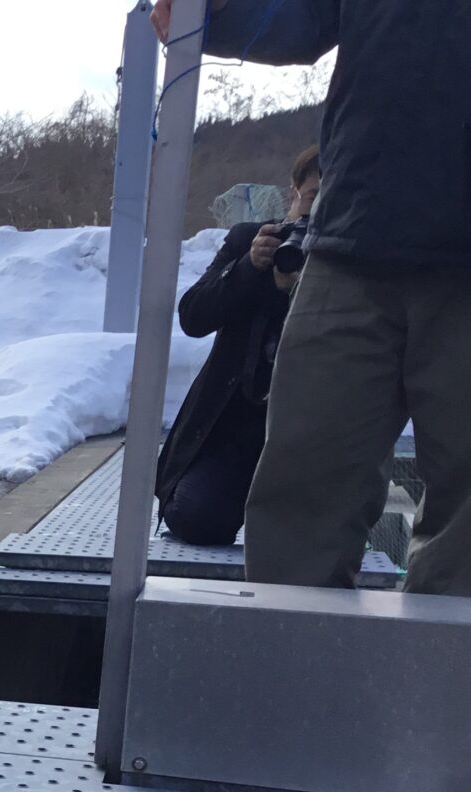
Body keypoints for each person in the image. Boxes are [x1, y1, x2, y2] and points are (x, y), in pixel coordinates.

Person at [155, 0, 471, 595]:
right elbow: (294, 16)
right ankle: (289, 676)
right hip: (350, 246)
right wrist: (209, 13)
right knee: (304, 480)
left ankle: (443, 684)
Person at [157, 147, 320, 546]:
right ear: (294, 191)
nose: (318, 209)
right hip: (237, 426)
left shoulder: (347, 260)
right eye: (314, 195)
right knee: (196, 518)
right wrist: (251, 268)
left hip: (306, 434)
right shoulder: (253, 240)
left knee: (305, 543)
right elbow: (193, 316)